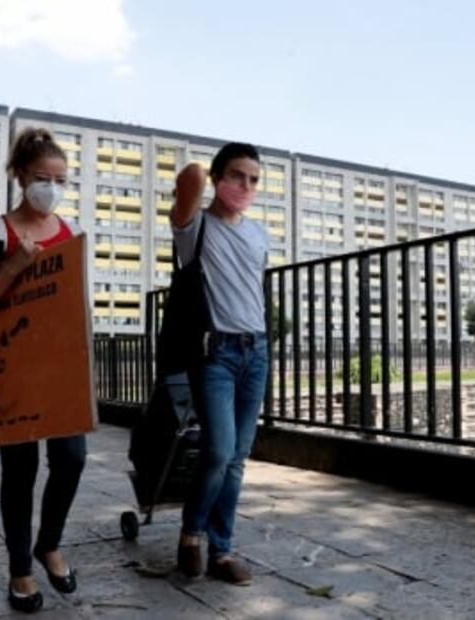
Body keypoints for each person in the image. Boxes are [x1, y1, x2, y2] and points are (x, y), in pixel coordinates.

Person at [0, 127, 85, 613]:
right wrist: (13, 267)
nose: (51, 188)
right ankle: (20, 573)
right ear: (19, 176)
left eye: (60, 180)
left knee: (72, 459)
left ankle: (48, 542)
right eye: (41, 178)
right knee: (20, 471)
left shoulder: (71, 232)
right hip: (10, 370)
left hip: (58, 371)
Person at [171, 142, 270, 586]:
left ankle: (222, 550)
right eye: (235, 176)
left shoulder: (258, 233)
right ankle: (191, 532)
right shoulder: (196, 228)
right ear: (217, 178)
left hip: (256, 350)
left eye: (252, 179)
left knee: (237, 458)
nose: (245, 186)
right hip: (215, 352)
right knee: (217, 451)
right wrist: (208, 176)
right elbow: (189, 178)